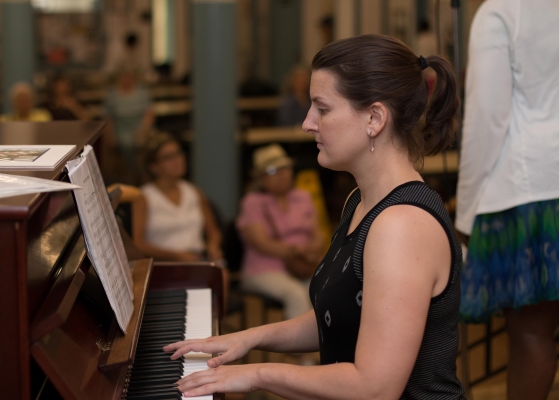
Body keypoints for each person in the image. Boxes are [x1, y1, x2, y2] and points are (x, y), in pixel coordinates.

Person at [164, 34, 464, 399]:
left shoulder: (401, 225)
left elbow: (375, 388)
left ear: (374, 118)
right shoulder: (361, 201)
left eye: (322, 109)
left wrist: (255, 373)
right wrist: (249, 338)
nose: (307, 123)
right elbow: (339, 317)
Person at [455, 1, 559, 399]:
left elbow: (487, 118)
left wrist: (465, 213)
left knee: (531, 334)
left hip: (529, 190)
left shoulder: (501, 11)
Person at [237, 143, 323, 322]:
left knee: (323, 288)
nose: (282, 175)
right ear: (260, 178)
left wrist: (312, 250)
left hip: (303, 265)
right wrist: (296, 250)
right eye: (273, 171)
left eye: (285, 169)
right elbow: (261, 243)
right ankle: (302, 348)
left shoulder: (303, 196)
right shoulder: (253, 202)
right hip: (264, 269)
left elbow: (318, 234)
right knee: (295, 293)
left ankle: (327, 343)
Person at [131, 133, 223, 263]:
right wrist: (175, 256)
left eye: (179, 153)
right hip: (163, 264)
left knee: (222, 275)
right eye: (168, 157)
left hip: (197, 259)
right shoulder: (143, 197)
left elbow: (213, 232)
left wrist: (213, 246)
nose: (177, 160)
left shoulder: (194, 191)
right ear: (154, 166)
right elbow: (138, 243)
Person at [103, 67, 155, 184]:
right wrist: (110, 135)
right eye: (124, 76)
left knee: (142, 143)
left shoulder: (142, 92)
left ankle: (144, 175)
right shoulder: (112, 94)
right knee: (126, 144)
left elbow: (149, 113)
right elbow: (108, 117)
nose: (127, 79)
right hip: (120, 130)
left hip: (139, 129)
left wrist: (143, 129)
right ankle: (129, 176)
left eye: (129, 76)